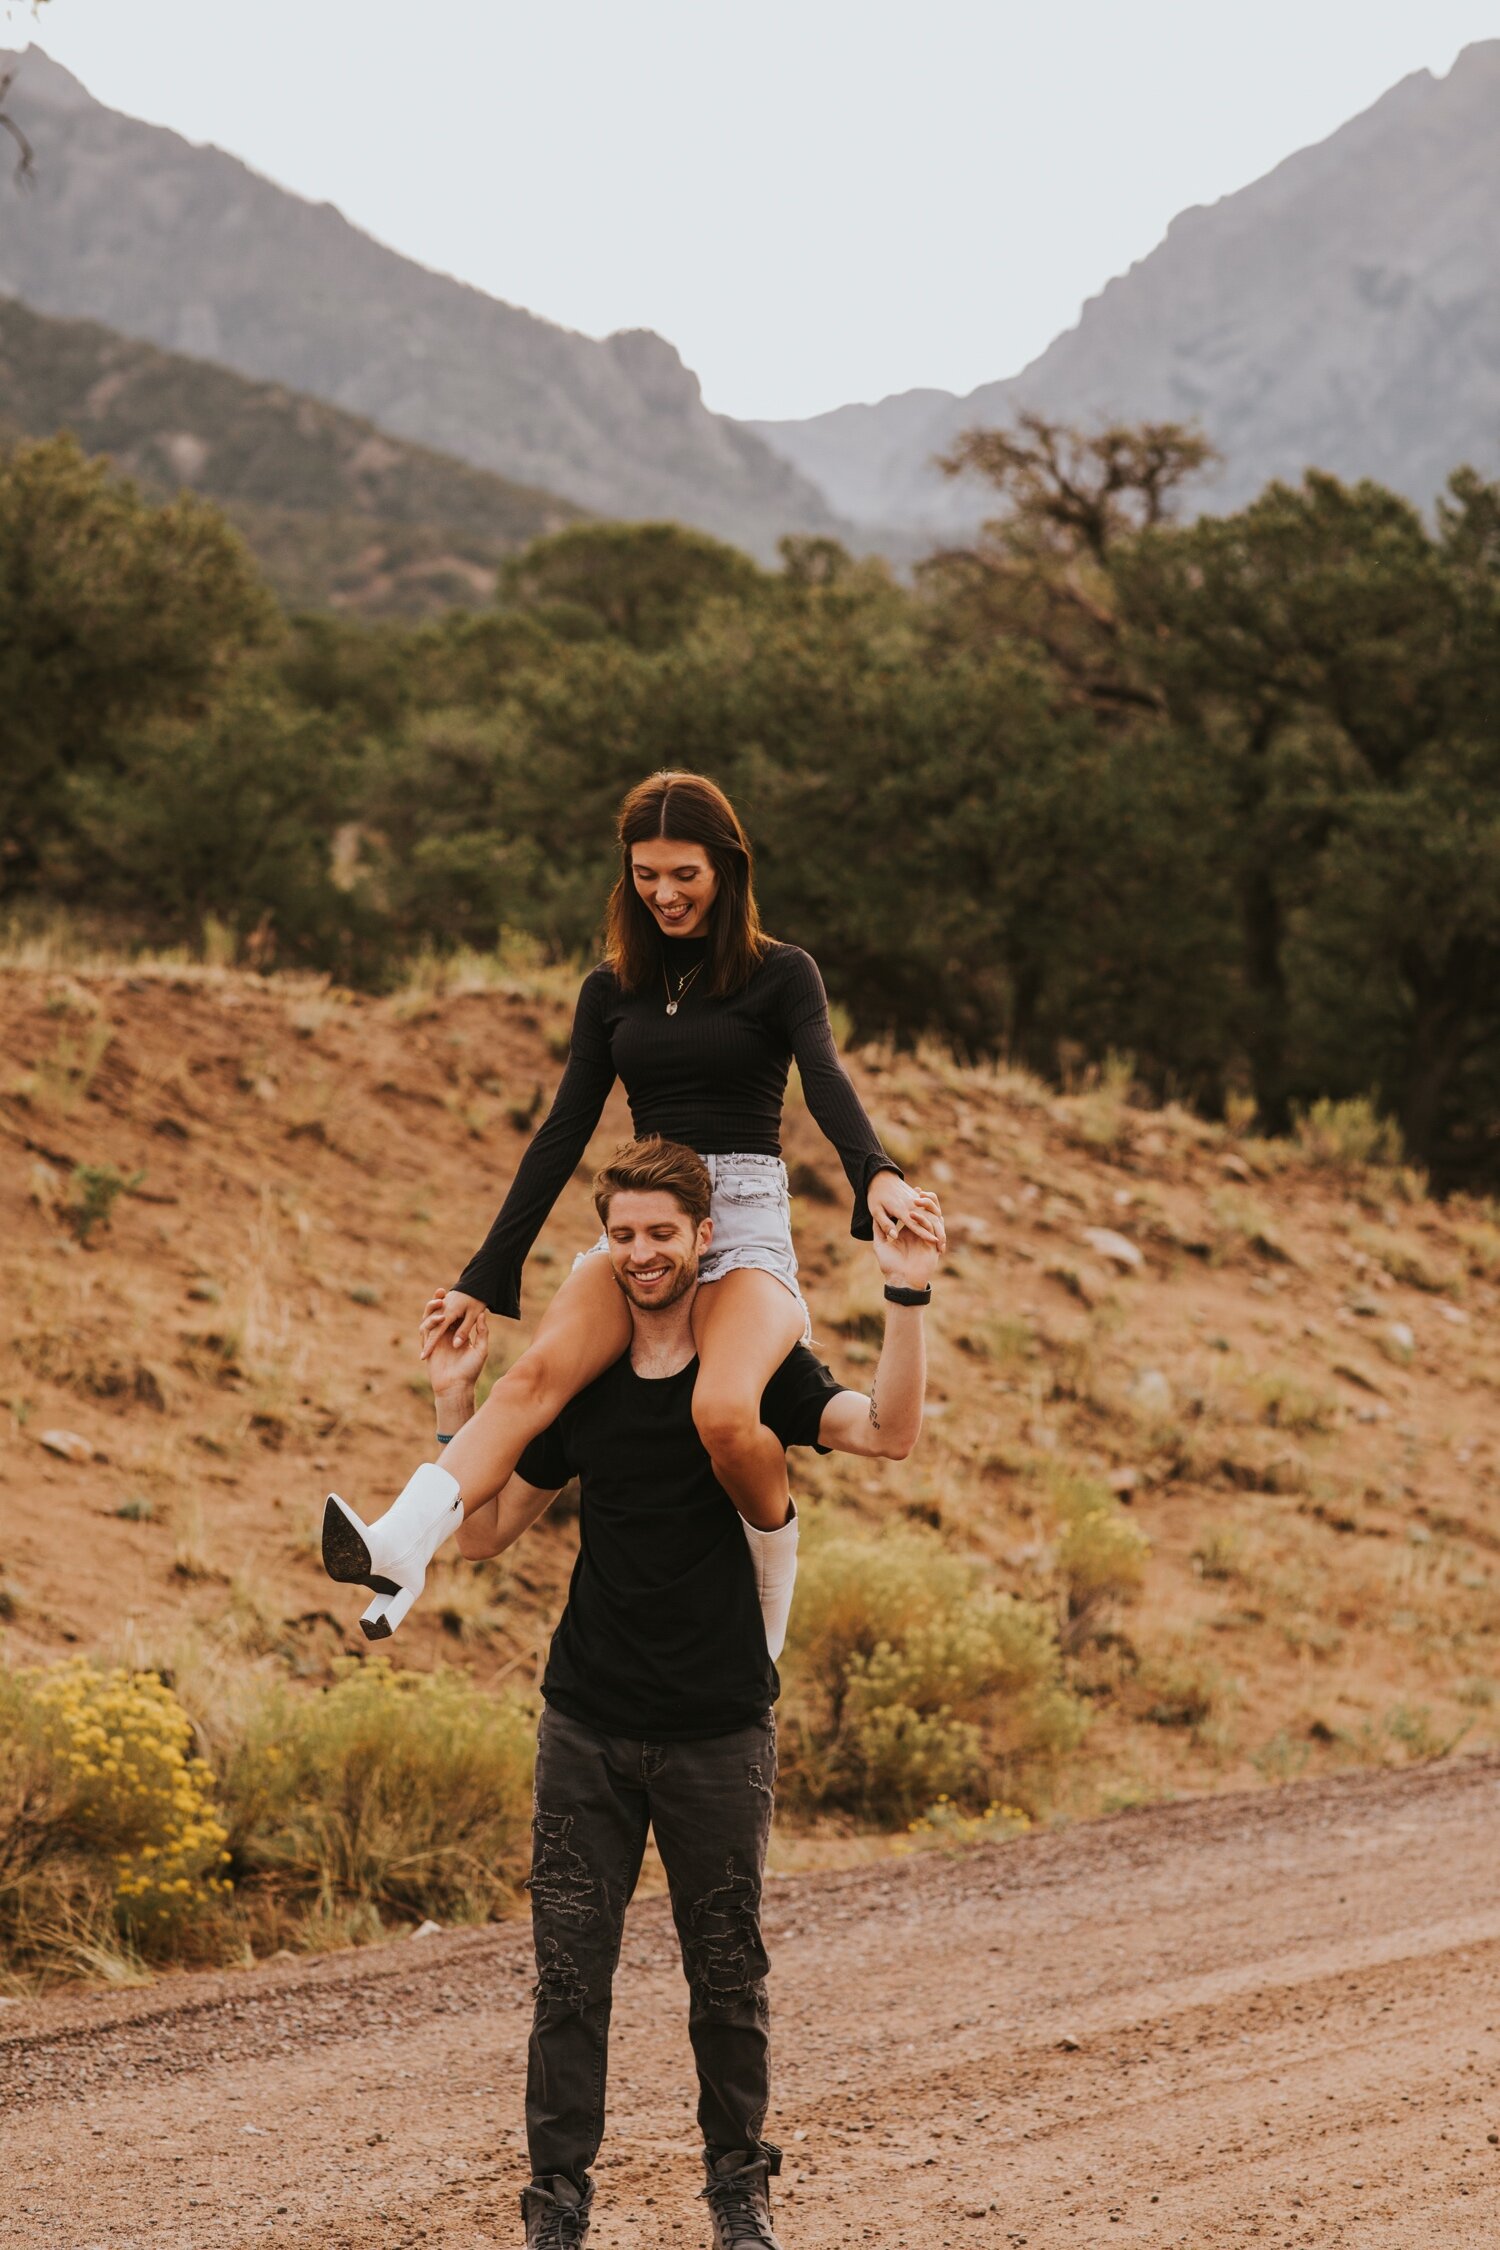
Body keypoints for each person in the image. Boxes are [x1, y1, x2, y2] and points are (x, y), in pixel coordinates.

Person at [423, 1136, 937, 2249]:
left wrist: (906, 1295)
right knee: (568, 1979)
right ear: (602, 1246)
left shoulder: (751, 1375)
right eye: (623, 1236)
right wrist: (453, 1399)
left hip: (715, 1731)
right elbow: (483, 1535)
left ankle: (737, 2200)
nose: (643, 1254)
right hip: (587, 1726)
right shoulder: (586, 1372)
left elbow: (890, 1434)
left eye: (663, 1234)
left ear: (708, 1238)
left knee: (728, 1977)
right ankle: (556, 2207)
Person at [321, 769, 943, 1639]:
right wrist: (484, 1274)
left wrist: (875, 1171)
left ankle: (764, 1627)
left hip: (744, 1228)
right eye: (646, 874)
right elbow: (561, 1134)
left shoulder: (781, 975)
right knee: (533, 1377)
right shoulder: (609, 991)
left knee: (725, 1412)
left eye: (683, 873)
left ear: (726, 868)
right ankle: (401, 1545)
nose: (664, 893)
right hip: (649, 1224)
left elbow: (825, 1079)